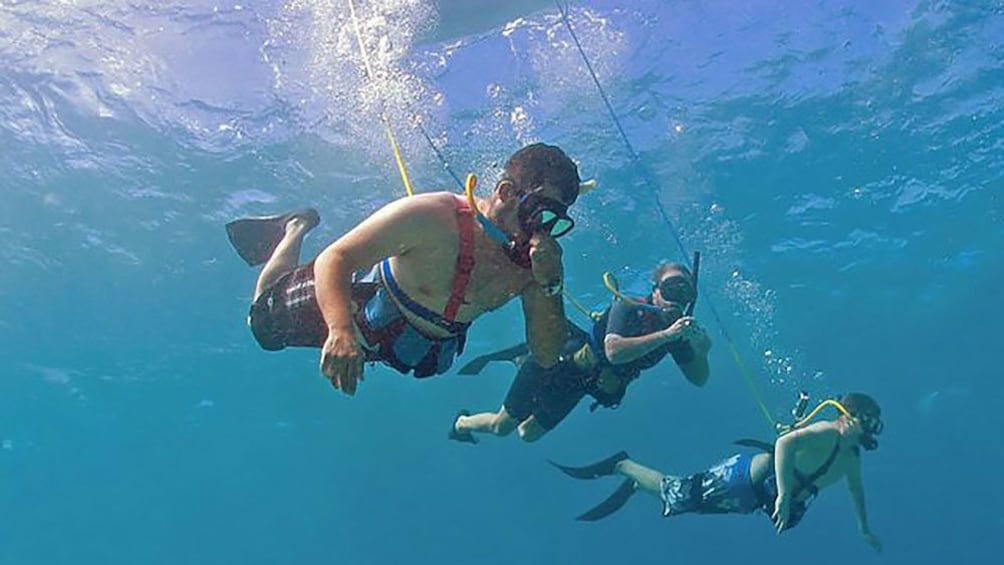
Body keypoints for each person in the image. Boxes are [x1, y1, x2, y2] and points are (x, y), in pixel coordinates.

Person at [225, 143, 582, 395]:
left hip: (391, 344)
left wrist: (550, 283)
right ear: (506, 192)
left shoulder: (538, 266)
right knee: (261, 324)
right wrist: (340, 330)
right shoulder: (433, 216)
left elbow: (547, 355)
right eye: (538, 212)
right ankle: (296, 226)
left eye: (554, 220)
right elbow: (335, 259)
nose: (542, 229)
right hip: (354, 309)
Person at [551, 392, 884, 552]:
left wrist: (864, 529)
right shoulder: (827, 430)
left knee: (684, 503)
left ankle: (637, 485)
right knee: (677, 495)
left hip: (752, 498)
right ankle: (622, 465)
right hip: (742, 479)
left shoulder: (851, 458)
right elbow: (784, 444)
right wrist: (783, 496)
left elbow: (857, 492)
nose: (871, 428)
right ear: (850, 415)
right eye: (869, 419)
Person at [449, 261, 712, 443]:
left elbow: (699, 380)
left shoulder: (678, 335)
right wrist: (667, 335)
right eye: (670, 289)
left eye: (684, 292)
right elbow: (613, 351)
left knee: (527, 434)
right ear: (655, 291)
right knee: (501, 426)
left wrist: (701, 351)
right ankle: (461, 423)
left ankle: (523, 363)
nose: (676, 298)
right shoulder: (629, 306)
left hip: (580, 383)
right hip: (560, 359)